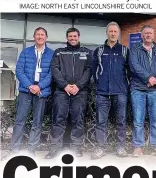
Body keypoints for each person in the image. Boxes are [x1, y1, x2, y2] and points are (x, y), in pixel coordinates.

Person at [2, 27, 54, 160]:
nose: (40, 37)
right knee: (20, 121)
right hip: (26, 91)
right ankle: (14, 150)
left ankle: (31, 150)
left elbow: (52, 74)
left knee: (37, 122)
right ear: (34, 37)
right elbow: (19, 71)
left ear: (46, 37)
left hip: (41, 92)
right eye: (38, 34)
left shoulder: (51, 54)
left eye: (42, 35)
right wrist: (30, 86)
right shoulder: (26, 52)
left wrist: (39, 86)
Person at [45, 27, 92, 159]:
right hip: (61, 92)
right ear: (67, 38)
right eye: (70, 36)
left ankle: (76, 148)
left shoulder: (86, 52)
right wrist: (65, 85)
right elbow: (54, 69)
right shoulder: (59, 52)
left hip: (80, 92)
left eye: (75, 36)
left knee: (78, 120)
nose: (72, 38)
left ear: (78, 37)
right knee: (58, 119)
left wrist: (78, 86)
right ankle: (54, 148)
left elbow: (88, 71)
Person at [91, 22, 130, 159]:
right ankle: (100, 148)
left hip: (120, 92)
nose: (113, 33)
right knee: (101, 122)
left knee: (121, 121)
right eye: (110, 31)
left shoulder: (125, 50)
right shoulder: (99, 51)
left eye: (115, 31)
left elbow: (129, 71)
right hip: (102, 93)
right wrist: (99, 83)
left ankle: (121, 147)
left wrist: (125, 86)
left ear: (118, 34)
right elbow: (94, 70)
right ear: (107, 33)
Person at [129, 25, 156, 157]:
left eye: (150, 33)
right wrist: (148, 77)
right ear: (142, 35)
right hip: (138, 88)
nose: (148, 35)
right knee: (138, 120)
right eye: (145, 33)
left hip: (155, 90)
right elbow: (134, 66)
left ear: (153, 35)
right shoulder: (134, 50)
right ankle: (138, 147)